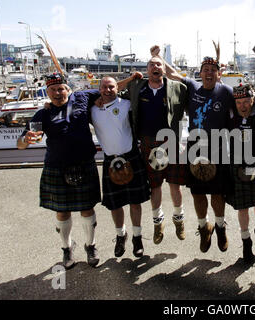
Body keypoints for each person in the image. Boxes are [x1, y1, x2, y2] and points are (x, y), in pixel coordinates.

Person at [17, 73, 101, 270]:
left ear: (68, 89)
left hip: (84, 163)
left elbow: (109, 88)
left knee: (87, 209)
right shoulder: (43, 114)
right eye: (53, 90)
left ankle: (91, 246)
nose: (57, 93)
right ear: (47, 92)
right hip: (56, 167)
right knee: (62, 212)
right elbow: (20, 145)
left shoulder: (81, 99)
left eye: (61, 88)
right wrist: (26, 140)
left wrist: (132, 79)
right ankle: (67, 248)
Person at [164, 54, 234, 254]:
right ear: (200, 73)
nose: (209, 73)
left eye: (213, 70)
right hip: (195, 148)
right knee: (198, 193)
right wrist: (158, 56)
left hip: (219, 148)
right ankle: (204, 228)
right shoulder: (193, 87)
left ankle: (220, 227)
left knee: (218, 193)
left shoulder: (227, 91)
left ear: (218, 74)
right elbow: (172, 74)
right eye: (206, 70)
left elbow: (246, 101)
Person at [123, 53, 189, 245]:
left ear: (163, 68)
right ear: (147, 70)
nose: (155, 67)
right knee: (155, 186)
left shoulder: (178, 88)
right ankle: (158, 223)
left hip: (171, 142)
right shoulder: (137, 88)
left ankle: (179, 219)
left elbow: (195, 101)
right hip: (148, 143)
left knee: (175, 186)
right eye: (152, 65)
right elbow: (110, 93)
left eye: (158, 65)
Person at [91, 76, 150, 258]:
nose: (107, 90)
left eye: (111, 87)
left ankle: (137, 237)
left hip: (131, 157)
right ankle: (120, 235)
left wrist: (132, 78)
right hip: (110, 160)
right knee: (115, 204)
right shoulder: (92, 109)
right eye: (104, 87)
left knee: (135, 201)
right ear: (99, 89)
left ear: (118, 88)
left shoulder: (127, 104)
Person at [226, 83, 255, 262]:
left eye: (246, 101)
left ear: (252, 100)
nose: (242, 106)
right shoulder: (230, 115)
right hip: (237, 163)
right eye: (239, 102)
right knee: (242, 207)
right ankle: (246, 242)